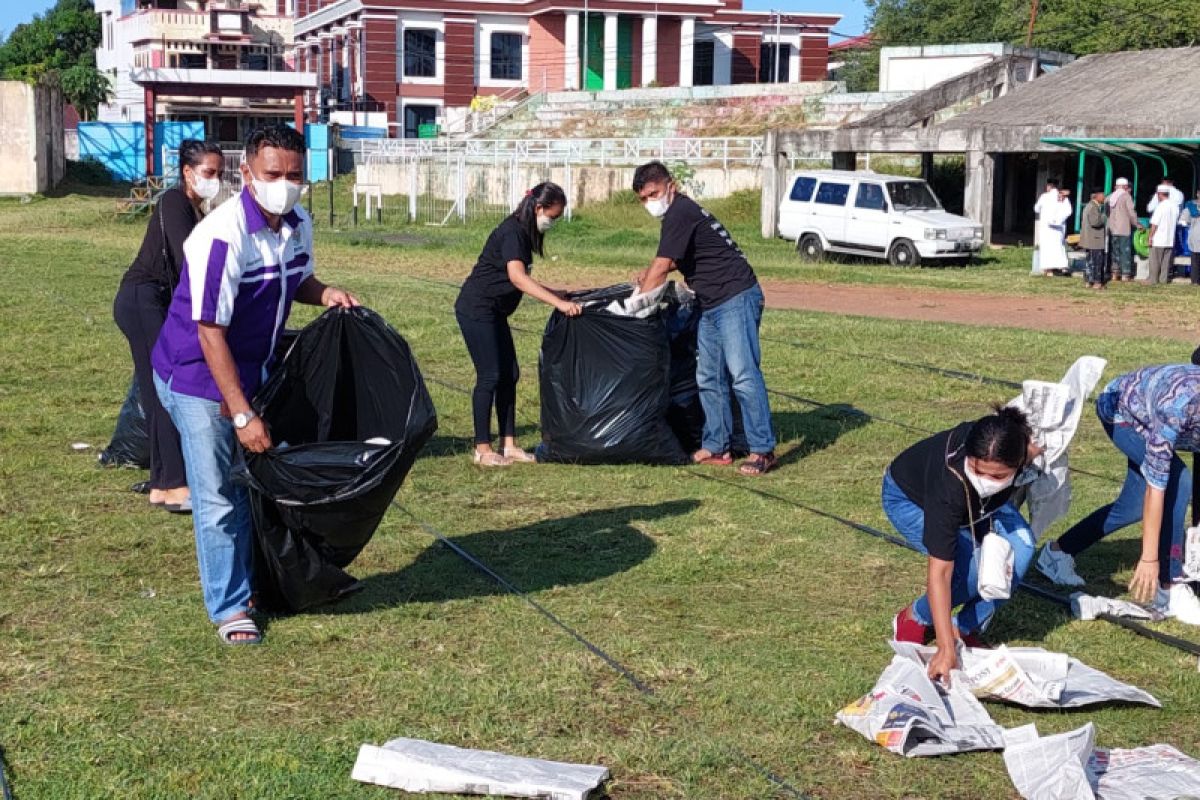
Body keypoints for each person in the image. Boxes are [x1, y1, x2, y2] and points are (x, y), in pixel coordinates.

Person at [151, 125, 358, 645]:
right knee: (219, 493)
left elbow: (294, 278)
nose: (284, 185)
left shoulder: (297, 224)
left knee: (251, 485)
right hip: (197, 376)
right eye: (273, 175)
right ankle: (229, 607)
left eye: (294, 176)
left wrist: (325, 291)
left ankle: (259, 581)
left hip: (251, 369)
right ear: (246, 173)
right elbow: (209, 331)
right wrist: (242, 414)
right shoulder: (222, 235)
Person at [631, 161, 777, 476]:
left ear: (671, 185)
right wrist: (648, 277)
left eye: (653, 194)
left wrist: (636, 306)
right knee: (708, 377)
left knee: (742, 374)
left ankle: (763, 449)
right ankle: (717, 445)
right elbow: (677, 258)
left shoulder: (680, 211)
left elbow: (661, 264)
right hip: (710, 302)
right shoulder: (678, 215)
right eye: (643, 199)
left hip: (736, 297)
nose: (649, 203)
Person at [884, 407, 1039, 685]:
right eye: (979, 470)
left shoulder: (1019, 447)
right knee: (970, 570)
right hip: (910, 499)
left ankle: (964, 628)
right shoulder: (949, 486)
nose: (987, 481)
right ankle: (914, 618)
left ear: (1018, 464)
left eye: (998, 476)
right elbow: (940, 572)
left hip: (983, 508)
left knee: (1022, 550)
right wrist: (944, 649)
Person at [1035, 365, 1200, 625]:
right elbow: (1157, 487)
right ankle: (1168, 589)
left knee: (1133, 506)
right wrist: (1149, 558)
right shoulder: (1177, 409)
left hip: (1151, 407)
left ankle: (1056, 553)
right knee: (1178, 483)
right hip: (1122, 412)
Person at [113, 140, 223, 513]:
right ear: (188, 172)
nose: (215, 180)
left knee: (160, 389)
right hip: (143, 300)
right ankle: (172, 484)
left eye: (219, 173)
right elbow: (188, 257)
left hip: (157, 301)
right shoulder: (174, 203)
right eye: (209, 173)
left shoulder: (194, 209)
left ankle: (163, 484)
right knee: (164, 389)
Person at [454, 183, 581, 467]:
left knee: (509, 374)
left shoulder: (523, 232)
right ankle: (482, 449)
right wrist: (558, 304)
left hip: (495, 311)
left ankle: (508, 444)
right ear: (538, 208)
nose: (553, 222)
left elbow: (521, 277)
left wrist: (555, 292)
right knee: (490, 376)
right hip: (477, 309)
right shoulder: (512, 232)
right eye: (553, 216)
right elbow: (517, 278)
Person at [1106, 177, 1141, 282]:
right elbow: (1131, 213)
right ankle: (1125, 274)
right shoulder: (1126, 197)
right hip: (1124, 229)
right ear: (1126, 186)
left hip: (1112, 229)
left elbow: (1106, 213)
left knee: (1114, 252)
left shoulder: (1109, 197)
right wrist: (1137, 224)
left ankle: (1114, 273)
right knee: (1125, 252)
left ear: (1116, 186)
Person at [1033, 179, 1071, 276]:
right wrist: (1059, 220)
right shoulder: (1063, 197)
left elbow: (1036, 209)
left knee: (1047, 247)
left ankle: (1049, 269)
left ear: (1049, 186)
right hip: (1059, 228)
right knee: (1059, 246)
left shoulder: (1044, 196)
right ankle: (1062, 267)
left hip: (1047, 227)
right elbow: (1068, 211)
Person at [1147, 184, 1180, 285]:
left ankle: (1153, 280)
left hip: (1159, 238)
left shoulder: (1160, 206)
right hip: (1170, 238)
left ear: (1159, 194)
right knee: (1166, 262)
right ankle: (1163, 280)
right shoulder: (1175, 206)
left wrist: (1150, 237)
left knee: (1155, 261)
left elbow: (1154, 224)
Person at [1080, 187, 1109, 290]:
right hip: (1094, 240)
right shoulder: (1093, 207)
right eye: (1102, 194)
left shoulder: (1090, 206)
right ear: (1096, 195)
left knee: (1090, 262)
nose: (1104, 197)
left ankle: (1089, 281)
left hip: (1091, 239)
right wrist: (1104, 217)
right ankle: (1096, 282)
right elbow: (1095, 222)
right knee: (1096, 262)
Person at [1180, 189, 1200, 285]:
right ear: (1197, 193)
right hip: (1195, 236)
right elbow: (1183, 221)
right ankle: (1195, 281)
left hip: (1195, 236)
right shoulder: (1190, 207)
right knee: (1195, 260)